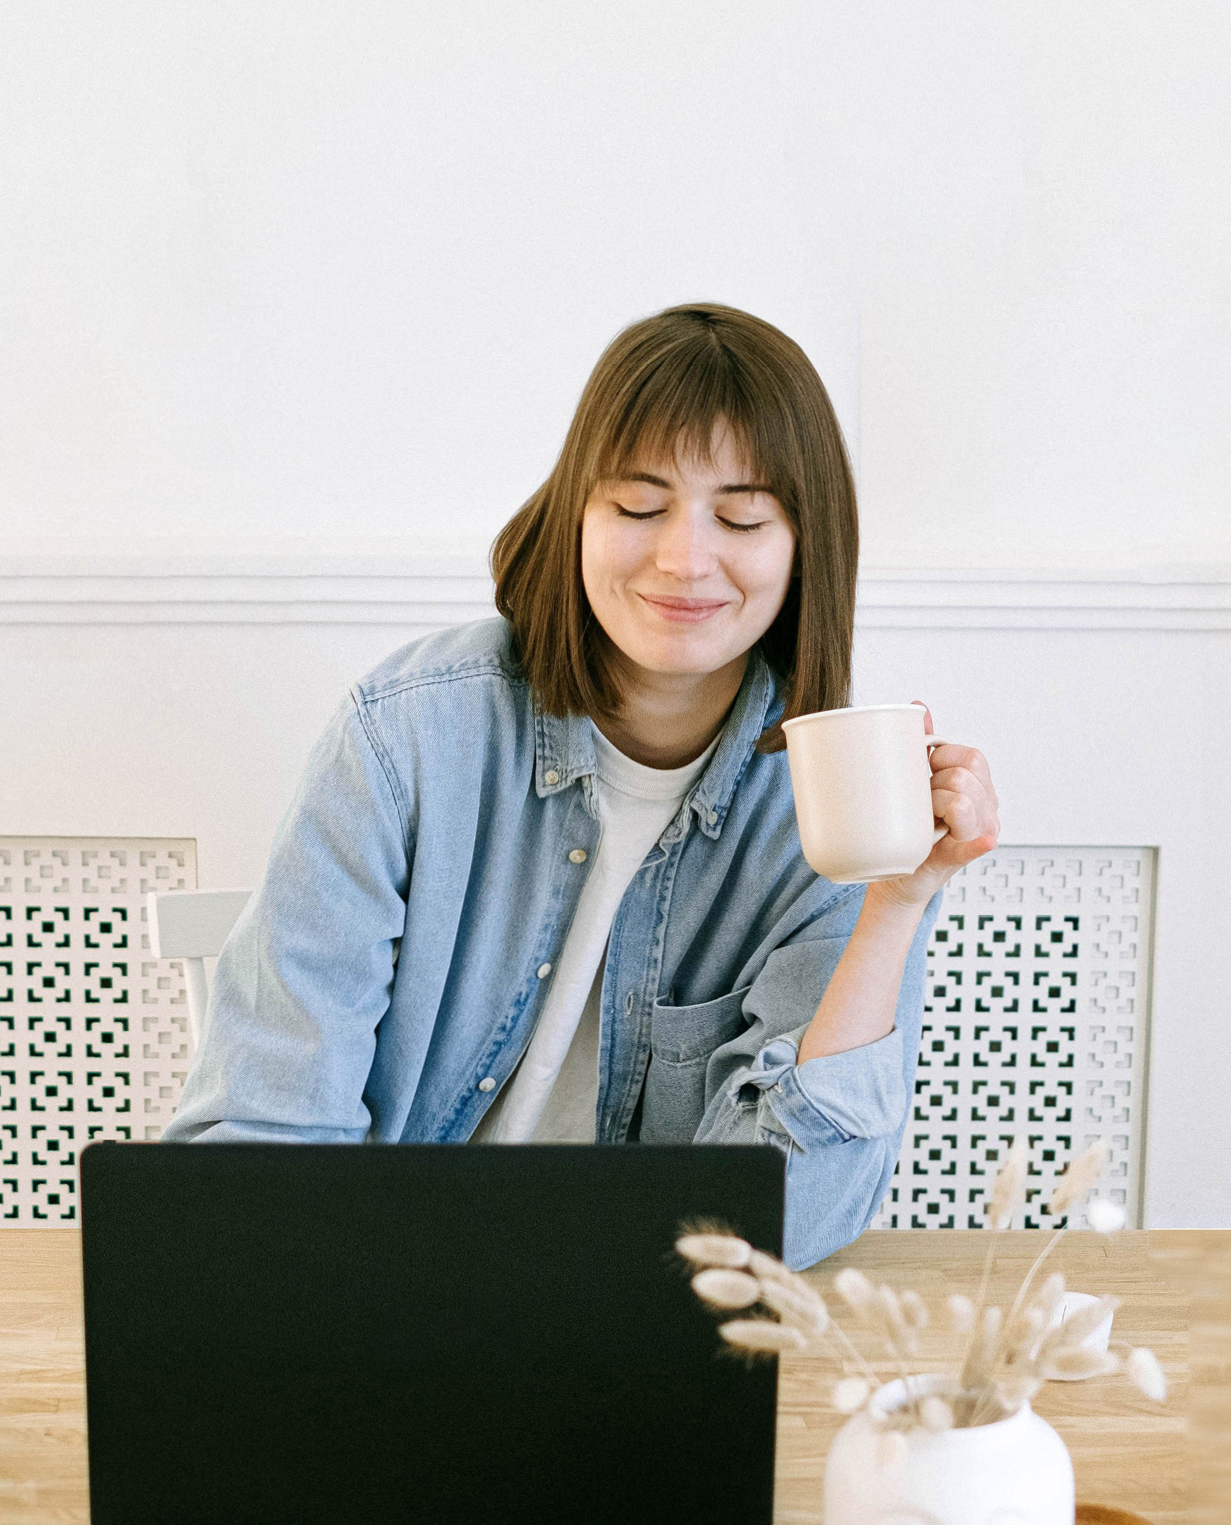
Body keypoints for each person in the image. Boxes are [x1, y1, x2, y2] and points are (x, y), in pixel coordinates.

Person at [162, 303, 999, 1267]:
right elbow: (262, 1145)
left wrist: (893, 904)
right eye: (638, 506)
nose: (684, 559)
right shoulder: (407, 734)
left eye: (740, 515)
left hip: (641, 1320)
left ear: (805, 543)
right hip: (379, 1284)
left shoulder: (839, 800)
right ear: (575, 515)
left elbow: (784, 1222)